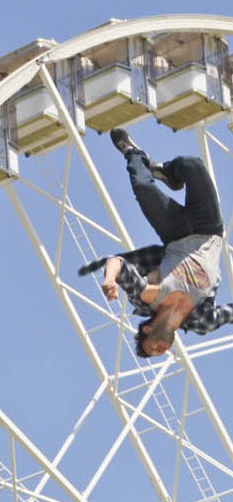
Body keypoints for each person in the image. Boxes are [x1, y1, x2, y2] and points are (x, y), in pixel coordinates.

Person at [88, 128, 229, 358]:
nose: (161, 350)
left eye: (152, 348)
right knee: (193, 165)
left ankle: (135, 154)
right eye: (160, 353)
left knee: (144, 189)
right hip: (208, 228)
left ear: (147, 328)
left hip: (175, 232)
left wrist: (109, 279)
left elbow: (118, 263)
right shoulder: (201, 321)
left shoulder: (149, 295)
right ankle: (171, 173)